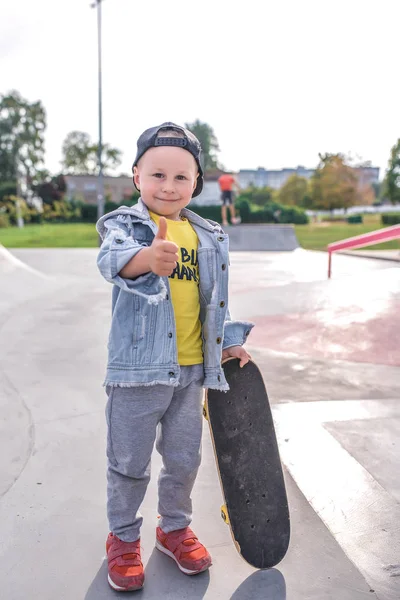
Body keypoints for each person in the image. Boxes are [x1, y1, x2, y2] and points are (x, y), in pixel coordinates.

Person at [96, 122, 253, 592]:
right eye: (158, 174)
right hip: (139, 373)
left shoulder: (207, 235)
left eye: (181, 177)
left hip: (191, 374)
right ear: (136, 177)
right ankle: (123, 539)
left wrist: (226, 340)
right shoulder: (126, 225)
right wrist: (147, 258)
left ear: (197, 183)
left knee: (184, 460)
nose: (168, 186)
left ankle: (173, 527)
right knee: (129, 461)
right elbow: (111, 259)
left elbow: (212, 299)